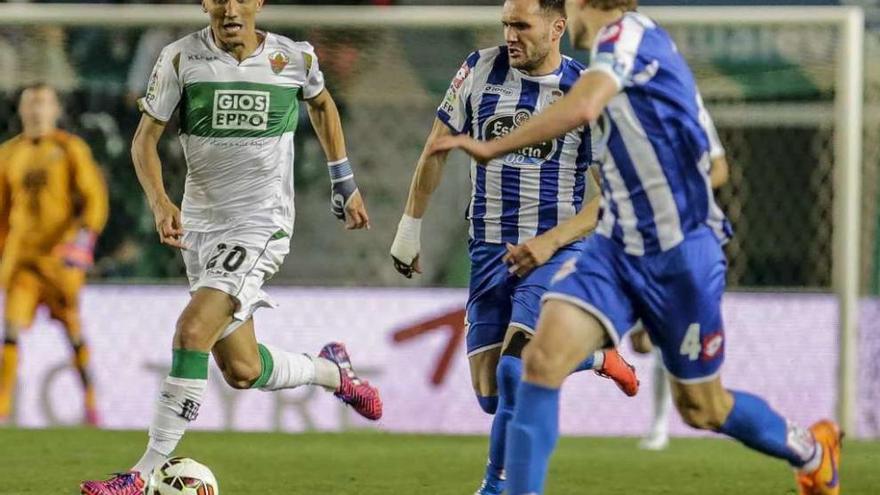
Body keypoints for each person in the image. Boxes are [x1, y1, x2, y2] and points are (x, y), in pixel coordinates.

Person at [432, 1, 841, 494]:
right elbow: (714, 164)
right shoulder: (640, 65)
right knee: (535, 363)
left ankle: (813, 453)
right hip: (615, 249)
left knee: (703, 408)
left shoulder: (625, 40)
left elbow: (592, 108)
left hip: (680, 258)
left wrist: (492, 146)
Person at [80, 0, 381, 493]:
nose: (230, 8)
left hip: (260, 226)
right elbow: (143, 141)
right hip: (200, 228)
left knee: (191, 331)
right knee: (242, 369)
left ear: (259, 3)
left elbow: (323, 105)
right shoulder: (180, 58)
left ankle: (140, 474)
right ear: (206, 5)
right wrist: (159, 202)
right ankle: (334, 372)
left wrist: (342, 180)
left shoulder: (293, 58)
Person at [390, 1, 638, 494]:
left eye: (522, 25)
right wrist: (409, 226)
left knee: (513, 371)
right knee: (488, 395)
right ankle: (594, 356)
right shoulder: (478, 69)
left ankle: (495, 485)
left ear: (557, 28)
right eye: (506, 24)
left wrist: (553, 242)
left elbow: (612, 194)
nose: (510, 35)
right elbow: (436, 147)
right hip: (488, 252)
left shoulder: (585, 91)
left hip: (554, 253)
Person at [0, 83, 108, 426]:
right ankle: (1, 409)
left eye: (43, 102)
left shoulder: (69, 148)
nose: (36, 109)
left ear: (55, 109)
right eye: (30, 103)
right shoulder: (7, 154)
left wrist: (83, 238)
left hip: (59, 261)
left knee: (73, 333)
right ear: (20, 110)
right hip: (22, 262)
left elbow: (93, 197)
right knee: (11, 331)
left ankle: (91, 404)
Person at [632, 119, 729, 452]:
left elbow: (720, 170)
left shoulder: (690, 111)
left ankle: (659, 426)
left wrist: (684, 196)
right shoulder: (618, 109)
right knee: (641, 345)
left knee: (666, 346)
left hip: (685, 245)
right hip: (636, 243)